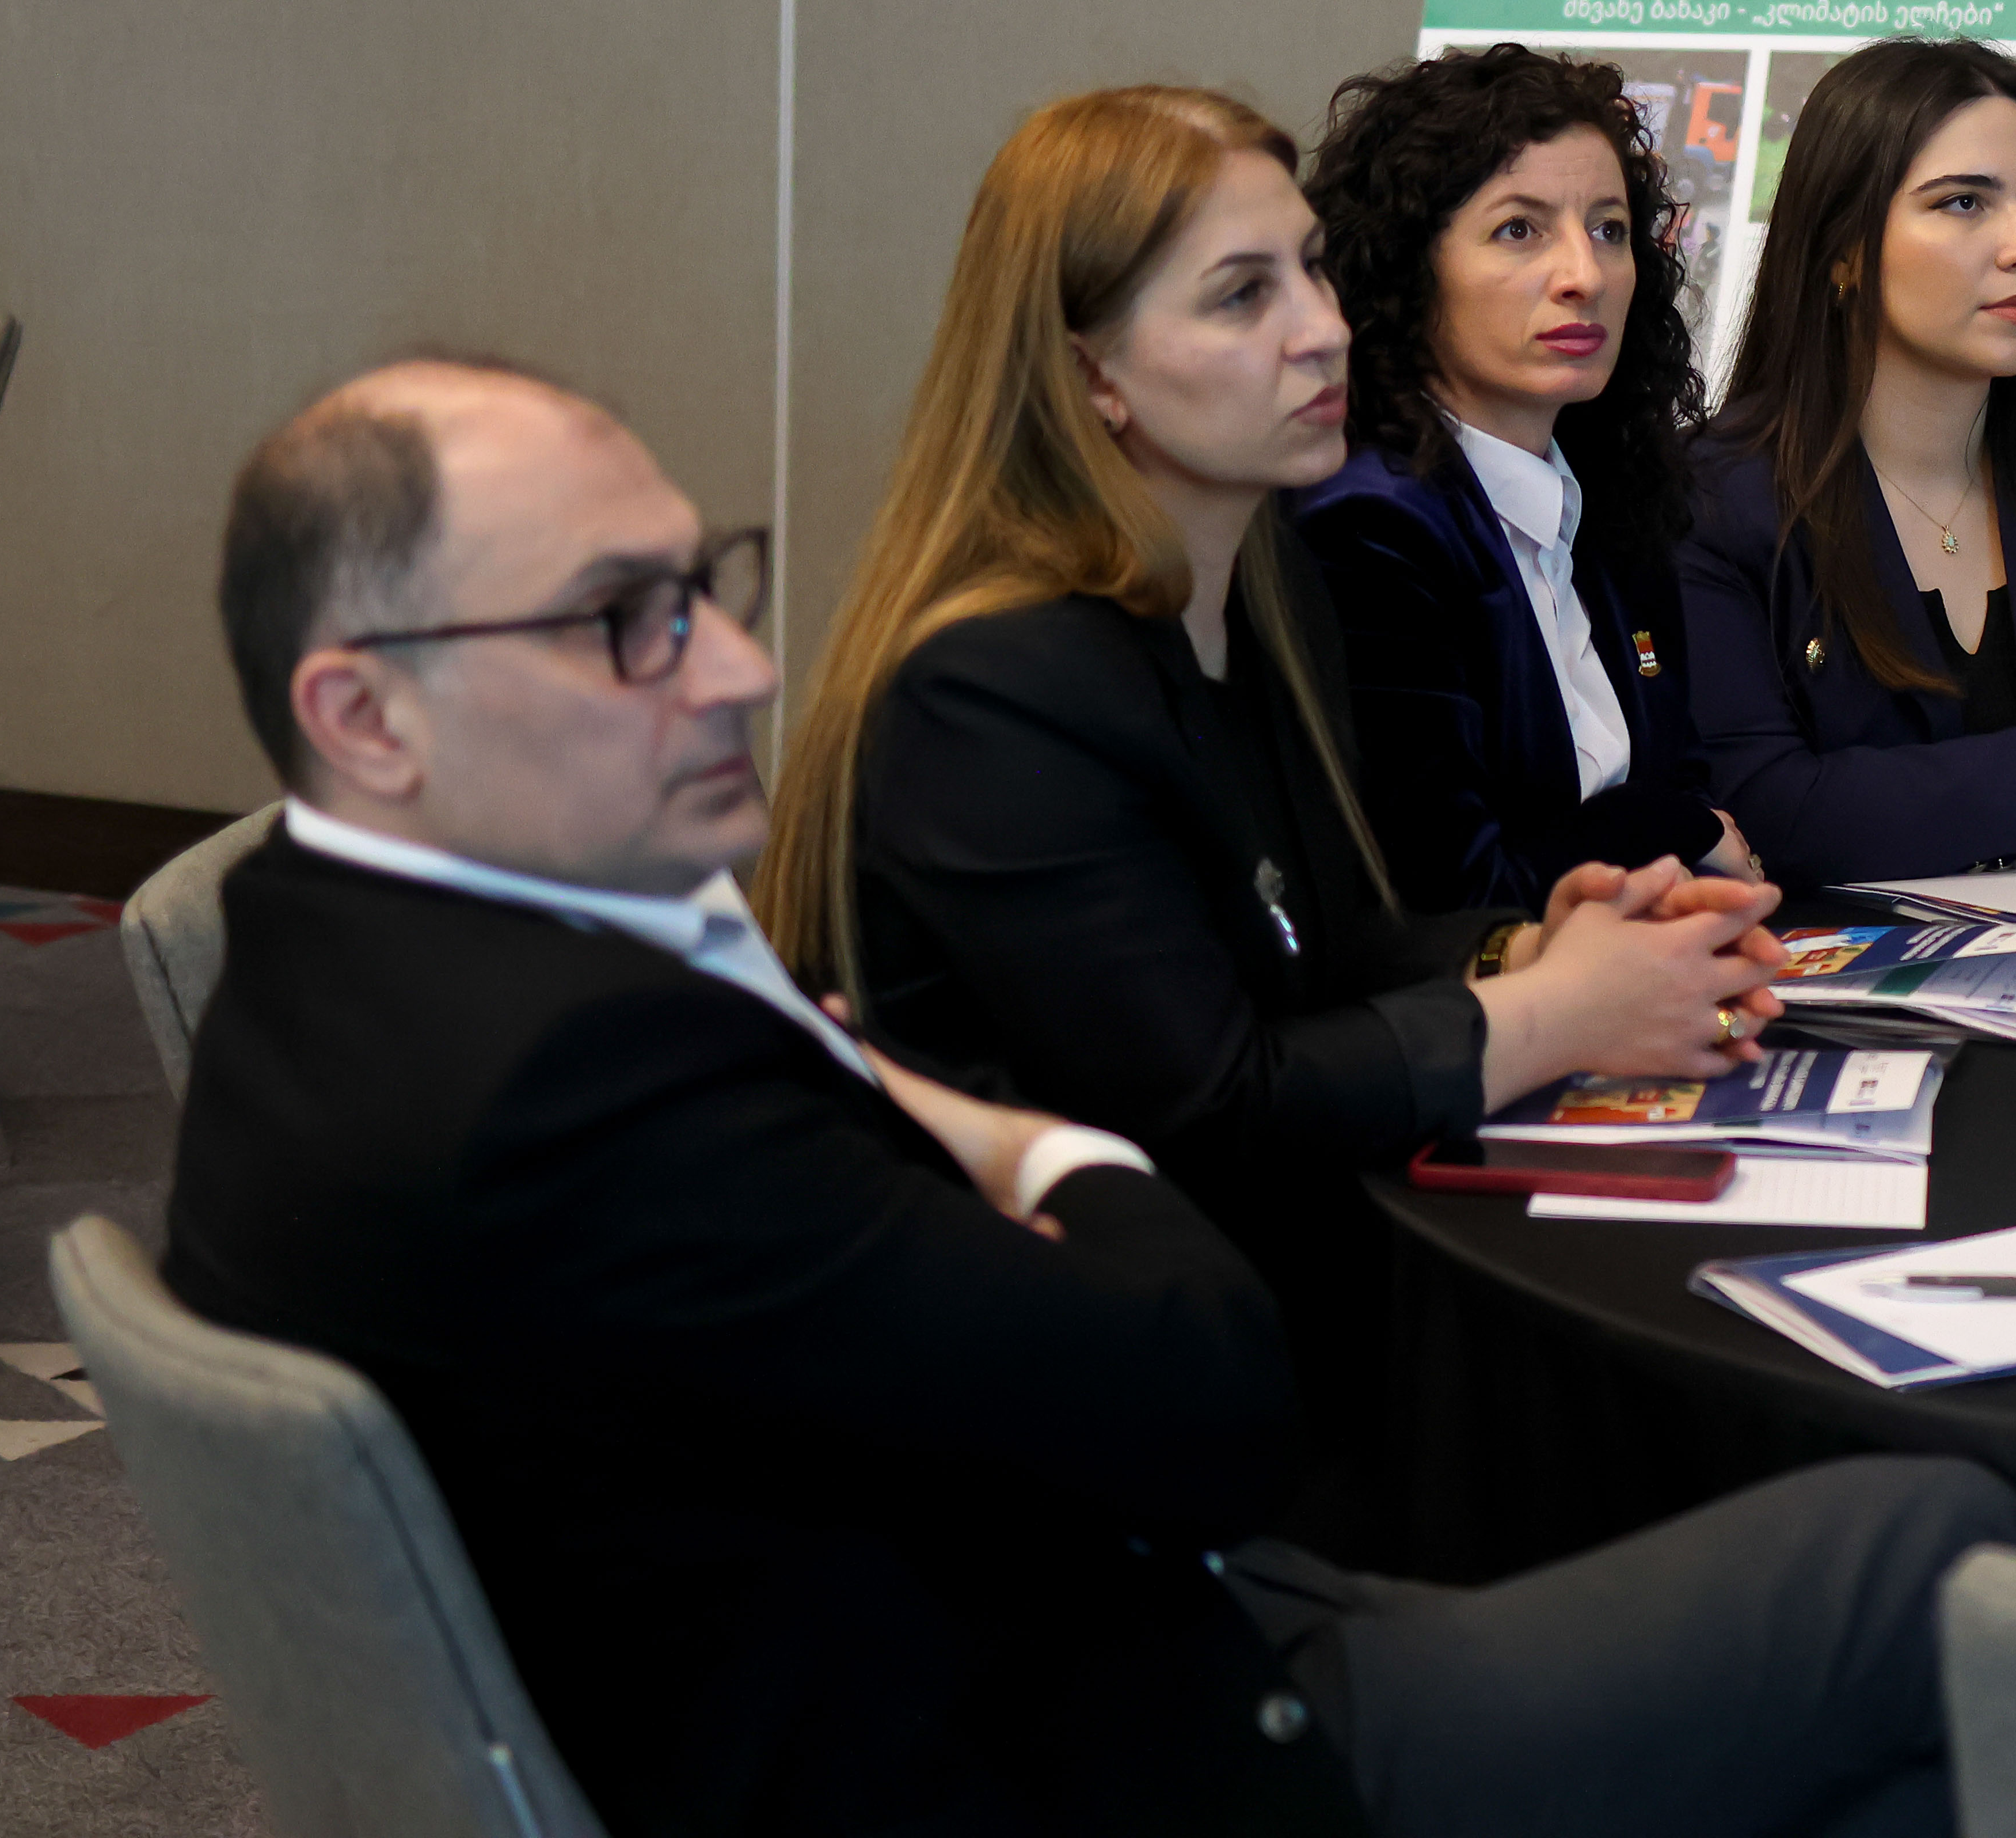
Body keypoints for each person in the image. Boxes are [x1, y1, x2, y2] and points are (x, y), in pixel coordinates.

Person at [166, 357, 2016, 1837]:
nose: (738, 667)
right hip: (1083, 1744)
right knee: (1940, 1541)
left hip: (927, 1603)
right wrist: (1011, 1131)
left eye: (705, 586)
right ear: (364, 718)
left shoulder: (307, 955)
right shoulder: (591, 1073)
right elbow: (1212, 1397)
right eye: (625, 621)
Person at [755, 89, 1786, 1510]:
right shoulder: (997, 685)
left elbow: (1316, 941)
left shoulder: (1254, 592)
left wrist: (1530, 941)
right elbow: (1211, 1106)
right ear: (1090, 374)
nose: (1321, 328)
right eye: (1243, 295)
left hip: (1280, 1327)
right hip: (1100, 1447)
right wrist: (1554, 1011)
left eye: (1309, 269)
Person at [1676, 39, 2016, 884]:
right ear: (1843, 249)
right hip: (1822, 966)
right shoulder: (1714, 498)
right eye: (1965, 203)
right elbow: (1767, 809)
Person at [1295, 44, 1751, 914]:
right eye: (1520, 230)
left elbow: (1683, 777)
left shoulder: (1614, 496)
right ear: (1407, 265)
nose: (1584, 276)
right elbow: (1450, 891)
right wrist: (1669, 829)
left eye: (1609, 230)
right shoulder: (1367, 523)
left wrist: (1675, 834)